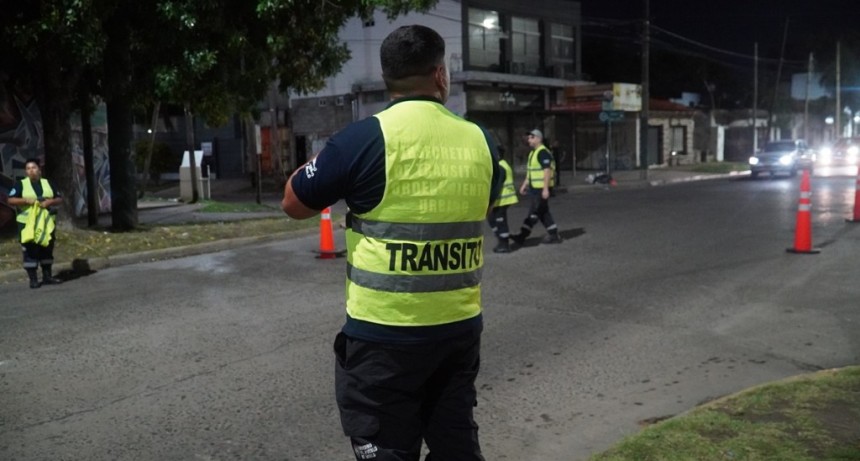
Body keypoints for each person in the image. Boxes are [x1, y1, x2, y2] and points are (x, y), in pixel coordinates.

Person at [281, 25, 502, 461]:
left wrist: (327, 161)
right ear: (440, 75)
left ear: (386, 77)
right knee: (456, 446)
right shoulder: (482, 142)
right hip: (457, 333)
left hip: (383, 337)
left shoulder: (361, 140)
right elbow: (483, 206)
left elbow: (294, 202)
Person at [7, 158, 64, 288]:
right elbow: (11, 200)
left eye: (33, 168)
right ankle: (33, 279)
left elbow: (59, 198)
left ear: (39, 169)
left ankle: (47, 276)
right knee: (30, 250)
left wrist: (49, 202)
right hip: (27, 225)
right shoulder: (21, 184)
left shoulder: (48, 183)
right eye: (28, 169)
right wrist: (26, 201)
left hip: (46, 223)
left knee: (47, 249)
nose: (31, 171)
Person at [511, 129, 563, 245]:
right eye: (529, 137)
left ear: (539, 139)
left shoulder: (542, 152)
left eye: (532, 137)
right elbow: (531, 172)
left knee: (534, 212)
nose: (529, 139)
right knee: (543, 212)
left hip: (541, 189)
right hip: (535, 188)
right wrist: (524, 184)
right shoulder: (533, 153)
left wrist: (545, 188)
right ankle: (554, 234)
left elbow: (547, 170)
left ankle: (522, 235)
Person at [487, 149, 518, 253]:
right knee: (492, 218)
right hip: (504, 198)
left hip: (503, 199)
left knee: (500, 220)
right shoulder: (503, 164)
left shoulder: (500, 167)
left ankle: (504, 244)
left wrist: (491, 201)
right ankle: (501, 239)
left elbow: (497, 186)